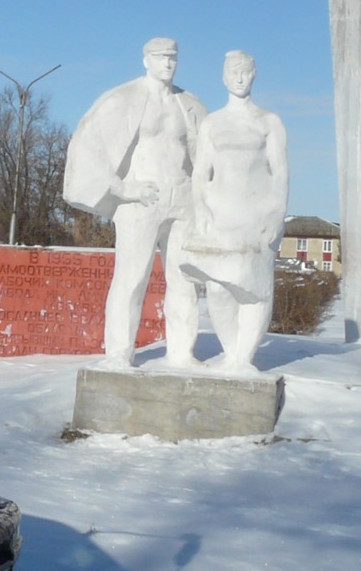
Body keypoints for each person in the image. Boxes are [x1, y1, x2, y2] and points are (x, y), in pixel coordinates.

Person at [63, 37, 207, 364]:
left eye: (172, 57)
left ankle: (182, 353)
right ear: (146, 60)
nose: (167, 63)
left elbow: (208, 158)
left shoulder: (190, 105)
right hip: (141, 200)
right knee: (131, 278)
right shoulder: (123, 99)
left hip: (183, 199)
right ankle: (118, 353)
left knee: (185, 280)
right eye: (160, 57)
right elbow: (88, 148)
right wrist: (123, 189)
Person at [181, 51, 289, 372]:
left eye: (244, 71)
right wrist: (200, 206)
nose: (239, 77)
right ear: (224, 77)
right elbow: (201, 173)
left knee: (255, 289)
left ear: (254, 74)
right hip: (221, 215)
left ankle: (243, 358)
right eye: (233, 72)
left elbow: (280, 173)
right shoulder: (213, 122)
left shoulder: (270, 122)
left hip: (257, 216)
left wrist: (277, 214)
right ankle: (231, 352)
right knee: (217, 287)